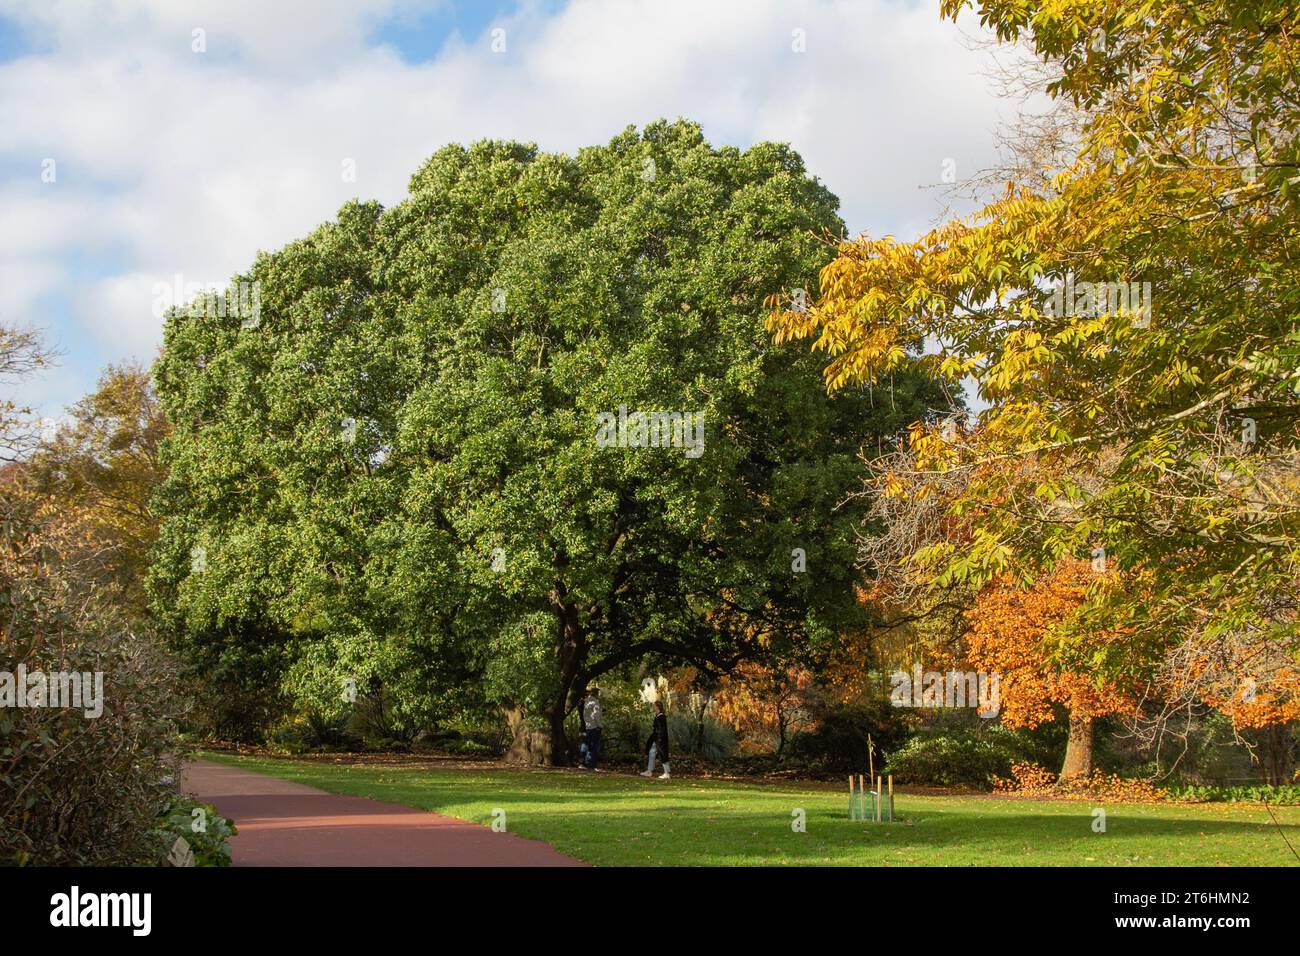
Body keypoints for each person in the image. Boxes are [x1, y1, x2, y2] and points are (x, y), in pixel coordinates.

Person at [639, 699, 670, 780]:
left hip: (660, 739)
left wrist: (659, 739)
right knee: (651, 753)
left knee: (663, 755)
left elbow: (661, 730)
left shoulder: (661, 717)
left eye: (654, 706)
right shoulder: (658, 716)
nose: (653, 707)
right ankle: (649, 771)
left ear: (657, 707)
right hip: (656, 738)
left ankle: (667, 773)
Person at [581, 687, 602, 770]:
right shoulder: (595, 702)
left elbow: (585, 714)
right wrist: (599, 725)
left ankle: (584, 762)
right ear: (596, 693)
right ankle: (591, 764)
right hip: (594, 726)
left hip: (588, 725)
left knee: (587, 744)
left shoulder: (586, 702)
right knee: (593, 746)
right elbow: (596, 715)